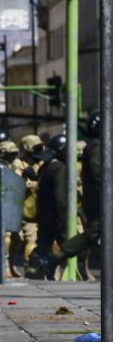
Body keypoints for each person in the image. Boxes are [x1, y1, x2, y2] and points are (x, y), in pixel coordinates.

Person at [50, 112, 101, 275]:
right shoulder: (97, 146)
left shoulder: (96, 145)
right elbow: (99, 173)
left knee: (94, 233)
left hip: (97, 200)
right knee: (93, 233)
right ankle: (57, 257)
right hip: (100, 201)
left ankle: (58, 257)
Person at [31, 133, 70, 279]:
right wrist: (63, 216)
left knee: (44, 246)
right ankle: (51, 269)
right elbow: (60, 196)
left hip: (45, 214)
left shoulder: (46, 167)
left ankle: (39, 270)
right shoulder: (59, 168)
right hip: (57, 215)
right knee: (71, 246)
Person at [18, 134, 45, 278]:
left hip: (44, 212)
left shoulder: (42, 164)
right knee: (31, 243)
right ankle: (30, 271)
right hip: (29, 213)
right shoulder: (20, 165)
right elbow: (16, 185)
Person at [0, 139, 25, 277]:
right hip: (4, 204)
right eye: (10, 154)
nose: (12, 157)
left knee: (17, 240)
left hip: (16, 204)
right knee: (5, 237)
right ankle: (4, 266)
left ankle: (11, 264)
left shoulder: (18, 164)